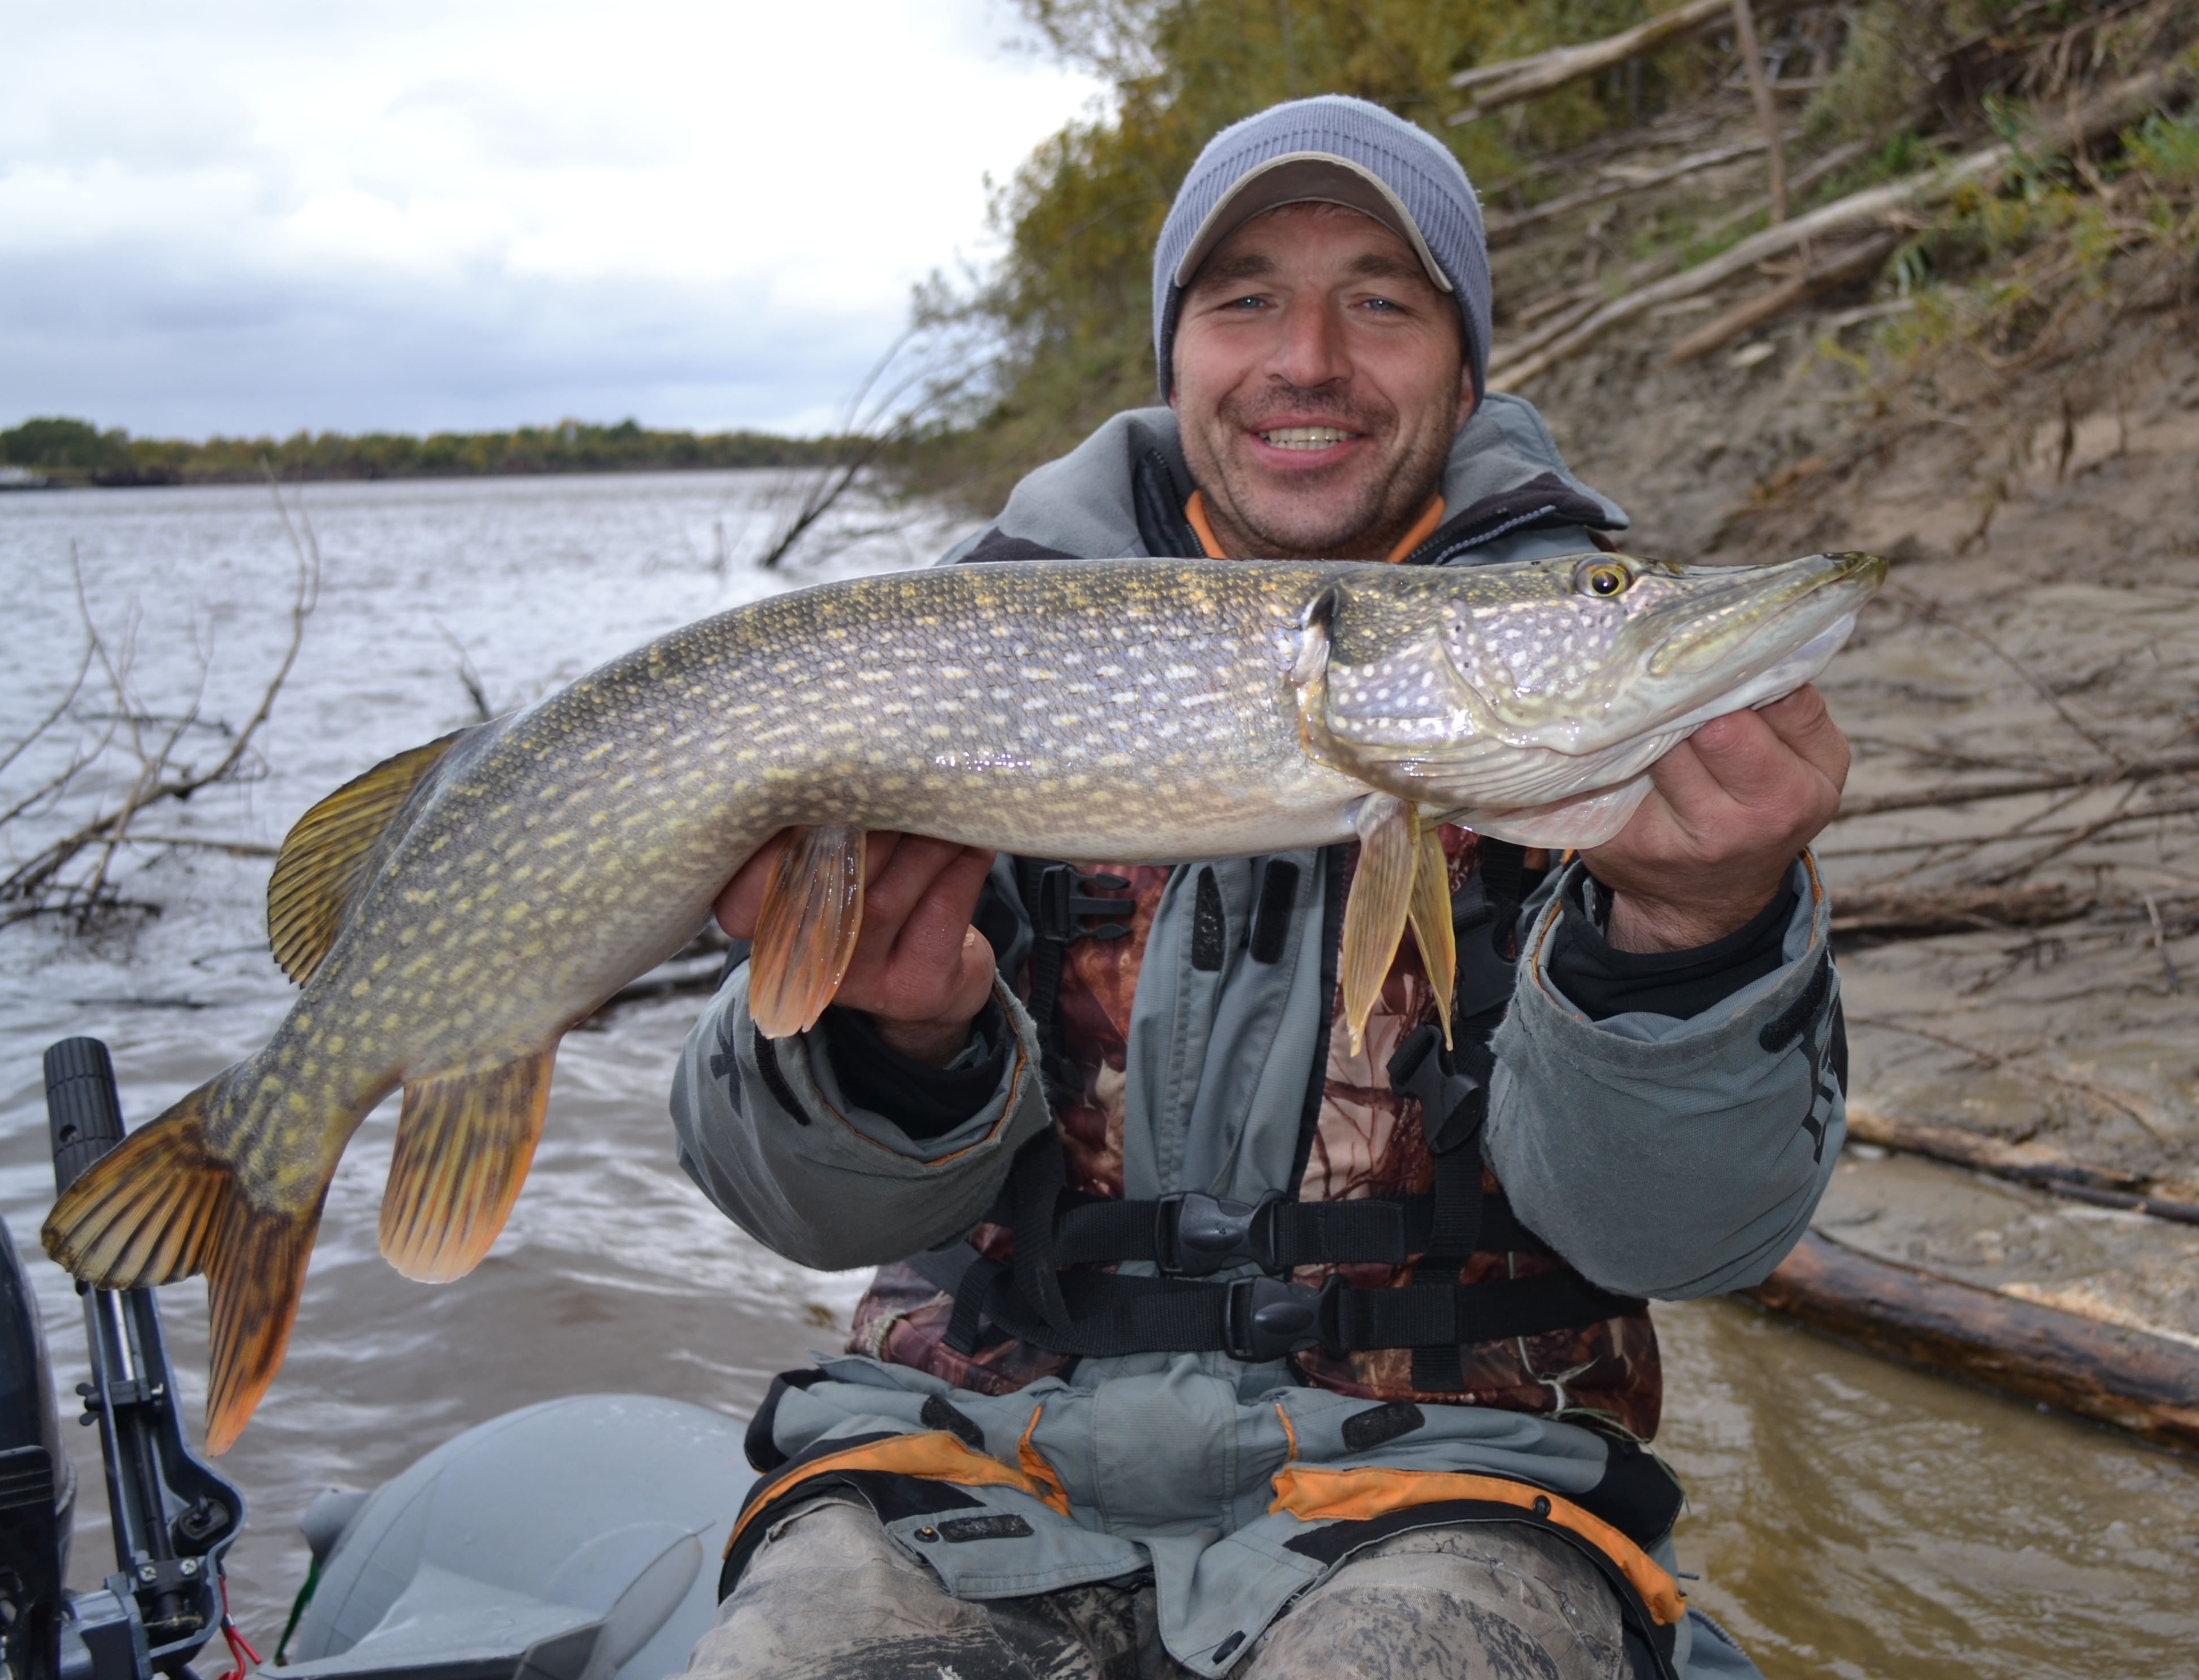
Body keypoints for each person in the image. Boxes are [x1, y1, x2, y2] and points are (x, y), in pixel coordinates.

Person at [667, 94, 1854, 1680]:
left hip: (1448, 1489)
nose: (1309, 357)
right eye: (1245, 300)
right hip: (962, 1462)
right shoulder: (970, 644)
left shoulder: (1594, 745)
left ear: (1466, 368)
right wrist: (891, 1042)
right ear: (1174, 359)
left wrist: (1697, 935)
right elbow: (797, 1210)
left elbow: (1685, 1240)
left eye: (1382, 300)